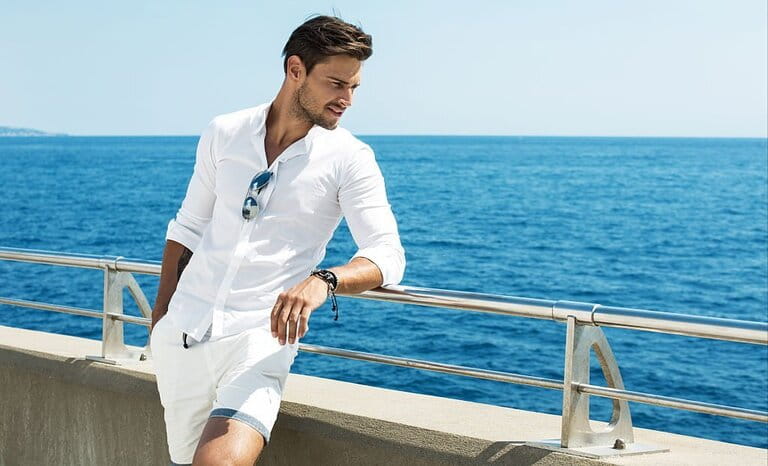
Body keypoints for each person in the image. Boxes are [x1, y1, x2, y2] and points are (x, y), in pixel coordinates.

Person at [149, 15, 405, 466]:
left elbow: (387, 256)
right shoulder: (224, 132)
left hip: (259, 342)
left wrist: (323, 280)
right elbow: (187, 227)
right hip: (183, 336)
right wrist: (160, 319)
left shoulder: (350, 159)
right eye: (336, 84)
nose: (347, 99)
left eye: (354, 87)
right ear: (295, 70)